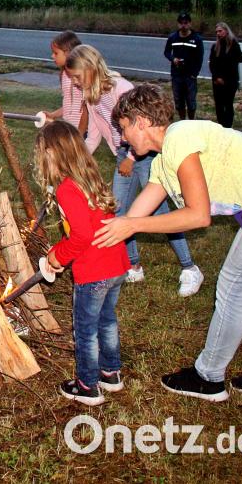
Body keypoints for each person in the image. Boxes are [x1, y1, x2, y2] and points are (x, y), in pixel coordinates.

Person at [96, 84, 242, 402]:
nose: (123, 140)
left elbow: (198, 215)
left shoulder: (180, 136)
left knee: (234, 287)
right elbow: (130, 220)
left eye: (123, 129)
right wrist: (101, 238)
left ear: (140, 121)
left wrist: (132, 224)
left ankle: (208, 378)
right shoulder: (161, 164)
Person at [67, 44, 202, 297]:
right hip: (124, 155)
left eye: (77, 76)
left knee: (159, 211)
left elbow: (141, 124)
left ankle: (189, 267)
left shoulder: (121, 88)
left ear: (90, 67)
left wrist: (130, 156)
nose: (75, 82)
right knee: (117, 209)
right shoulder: (91, 96)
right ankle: (133, 265)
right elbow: (94, 135)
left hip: (146, 153)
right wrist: (77, 157)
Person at [36, 120, 130, 406]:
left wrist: (57, 256)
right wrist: (62, 253)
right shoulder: (89, 177)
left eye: (42, 154)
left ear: (53, 154)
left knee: (85, 328)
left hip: (94, 270)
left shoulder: (66, 188)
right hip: (115, 263)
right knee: (107, 318)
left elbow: (81, 235)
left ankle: (87, 385)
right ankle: (110, 372)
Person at [38, 31, 85, 132]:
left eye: (56, 53)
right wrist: (53, 115)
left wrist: (80, 133)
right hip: (69, 128)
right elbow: (69, 104)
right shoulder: (64, 74)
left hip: (82, 131)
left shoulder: (82, 76)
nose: (52, 56)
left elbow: (89, 109)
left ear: (68, 53)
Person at [164, 12, 204, 121]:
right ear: (178, 24)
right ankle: (182, 120)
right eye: (181, 23)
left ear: (190, 24)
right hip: (177, 75)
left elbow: (199, 58)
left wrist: (194, 74)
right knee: (178, 100)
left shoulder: (196, 39)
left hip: (190, 75)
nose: (183, 25)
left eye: (186, 23)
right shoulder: (173, 37)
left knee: (191, 101)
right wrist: (173, 59)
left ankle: (191, 121)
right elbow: (167, 52)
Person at [208, 22, 242, 129]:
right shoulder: (215, 47)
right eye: (216, 32)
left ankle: (228, 126)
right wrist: (216, 77)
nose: (218, 34)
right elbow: (212, 63)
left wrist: (225, 79)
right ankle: (221, 125)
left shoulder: (234, 46)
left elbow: (233, 64)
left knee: (228, 104)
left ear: (226, 31)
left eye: (220, 31)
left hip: (230, 81)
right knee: (219, 105)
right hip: (217, 80)